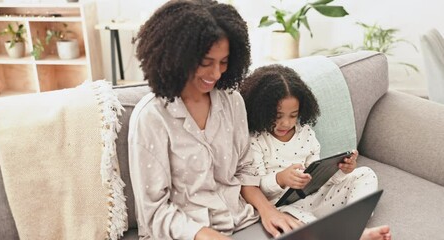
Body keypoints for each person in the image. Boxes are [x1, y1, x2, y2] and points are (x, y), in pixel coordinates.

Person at [128, 1, 302, 239]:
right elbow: (154, 210)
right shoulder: (151, 117)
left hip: (242, 221)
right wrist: (205, 234)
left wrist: (268, 211)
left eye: (224, 62)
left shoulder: (232, 102)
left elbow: (244, 169)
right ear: (177, 56)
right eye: (206, 63)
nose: (216, 74)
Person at [239, 64, 392, 240]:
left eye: (293, 115)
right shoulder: (257, 140)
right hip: (283, 206)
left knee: (365, 174)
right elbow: (257, 187)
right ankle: (350, 235)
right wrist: (280, 179)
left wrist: (341, 169)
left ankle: (354, 225)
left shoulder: (306, 133)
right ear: (261, 111)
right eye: (278, 116)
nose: (286, 123)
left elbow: (319, 176)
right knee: (301, 224)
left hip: (317, 196)